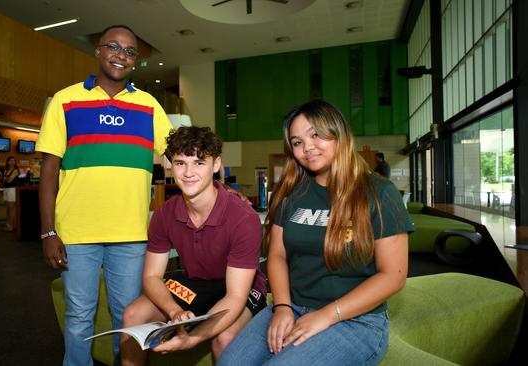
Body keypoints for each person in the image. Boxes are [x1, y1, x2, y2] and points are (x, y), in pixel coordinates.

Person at [218, 100, 413, 366]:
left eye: (316, 135)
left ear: (339, 134)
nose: (307, 147)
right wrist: (283, 307)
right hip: (293, 306)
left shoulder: (379, 192)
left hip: (356, 320)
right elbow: (276, 255)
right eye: (297, 142)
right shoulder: (291, 192)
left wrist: (327, 315)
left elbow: (393, 275)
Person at [36, 24, 173, 366]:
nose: (120, 55)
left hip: (130, 234)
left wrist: (216, 180)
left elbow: (180, 155)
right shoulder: (65, 101)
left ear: (135, 62)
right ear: (98, 51)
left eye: (129, 51)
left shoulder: (149, 106)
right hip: (77, 233)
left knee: (127, 317)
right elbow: (49, 171)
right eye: (113, 46)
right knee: (80, 316)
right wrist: (48, 231)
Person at [120, 126, 267, 365]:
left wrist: (193, 338)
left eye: (199, 162)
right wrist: (174, 311)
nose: (188, 172)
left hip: (241, 289)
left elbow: (235, 296)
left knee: (225, 338)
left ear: (216, 164)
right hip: (197, 282)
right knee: (133, 314)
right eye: (180, 163)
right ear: (171, 166)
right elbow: (151, 276)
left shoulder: (243, 218)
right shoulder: (164, 214)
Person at [0, 156, 19, 232]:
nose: (12, 162)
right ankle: (10, 224)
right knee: (8, 208)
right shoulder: (6, 170)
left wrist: (4, 179)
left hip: (12, 190)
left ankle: (11, 226)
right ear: (7, 162)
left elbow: (9, 180)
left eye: (13, 161)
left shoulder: (15, 170)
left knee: (12, 209)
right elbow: (4, 181)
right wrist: (4, 179)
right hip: (6, 190)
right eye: (10, 161)